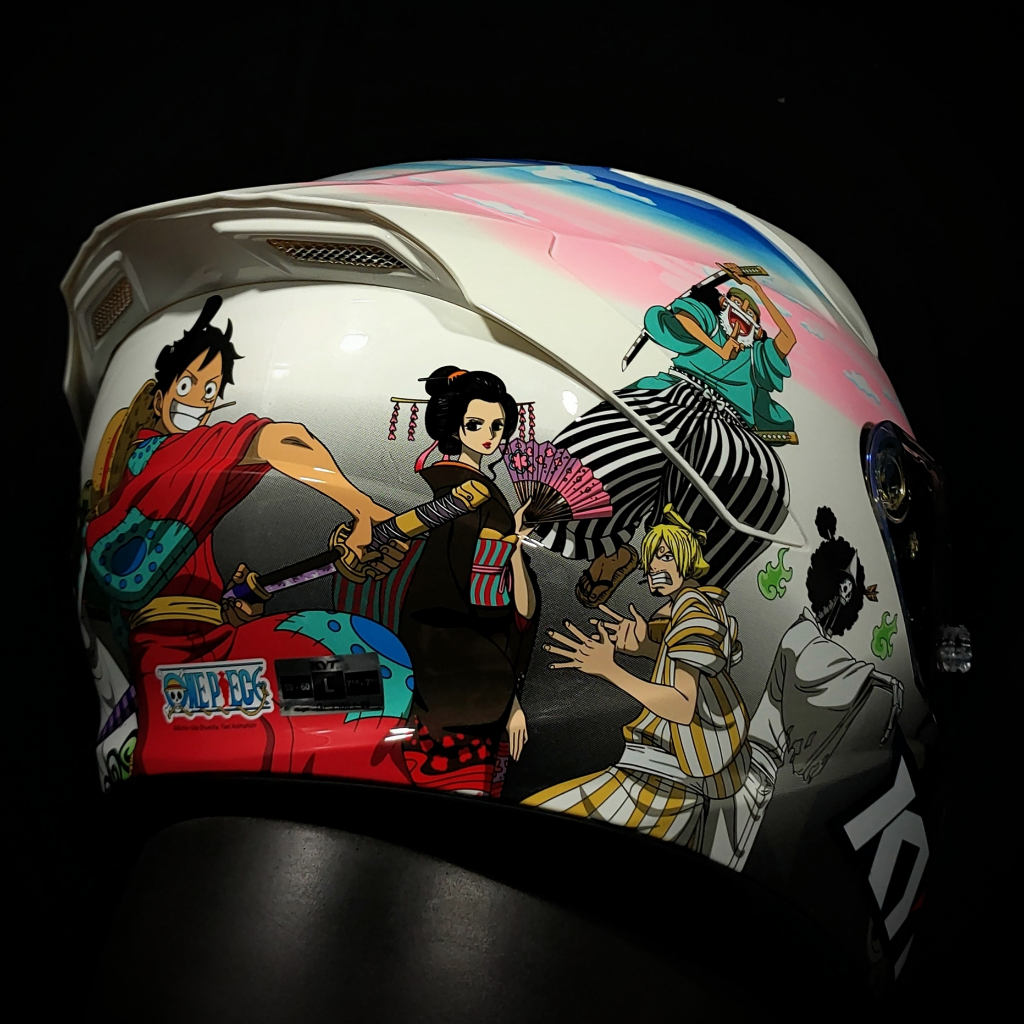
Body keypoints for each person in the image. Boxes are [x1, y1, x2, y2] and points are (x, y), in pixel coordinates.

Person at [82, 296, 408, 777]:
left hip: (214, 653)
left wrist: (232, 604)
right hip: (186, 670)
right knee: (376, 680)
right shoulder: (164, 458)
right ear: (160, 396)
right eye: (188, 385)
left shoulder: (179, 475)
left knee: (367, 677)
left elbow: (183, 586)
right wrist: (364, 509)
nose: (197, 401)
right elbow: (284, 440)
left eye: (210, 391)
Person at [535, 263, 796, 608]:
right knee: (605, 450)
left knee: (743, 493)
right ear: (724, 305)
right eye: (738, 303)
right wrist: (717, 348)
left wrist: (758, 290)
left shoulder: (757, 356)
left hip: (727, 425)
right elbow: (678, 320)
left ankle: (682, 599)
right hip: (673, 398)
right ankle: (607, 550)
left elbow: (788, 338)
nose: (743, 313)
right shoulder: (709, 324)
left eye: (751, 311)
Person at [524, 506, 756, 864]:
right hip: (668, 769)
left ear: (687, 558)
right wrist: (646, 647)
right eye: (651, 561)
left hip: (666, 776)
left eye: (665, 556)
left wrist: (609, 669)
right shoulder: (694, 608)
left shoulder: (693, 612)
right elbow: (698, 670)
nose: (653, 569)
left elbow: (682, 705)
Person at [398, 365, 540, 797]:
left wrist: (513, 543)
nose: (489, 436)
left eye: (497, 425)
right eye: (475, 424)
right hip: (463, 659)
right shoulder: (461, 493)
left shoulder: (477, 491)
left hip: (476, 646)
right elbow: (459, 590)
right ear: (454, 427)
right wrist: (509, 696)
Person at [738, 507, 905, 858]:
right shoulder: (803, 636)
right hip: (752, 774)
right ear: (844, 588)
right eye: (854, 584)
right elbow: (819, 668)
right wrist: (882, 679)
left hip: (757, 775)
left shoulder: (806, 633)